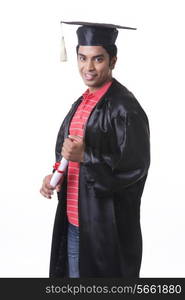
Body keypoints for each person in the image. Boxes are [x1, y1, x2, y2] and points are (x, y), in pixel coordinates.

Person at [40, 21, 150, 278]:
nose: (88, 67)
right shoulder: (81, 103)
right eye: (82, 58)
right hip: (73, 220)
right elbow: (67, 154)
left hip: (104, 231)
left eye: (98, 59)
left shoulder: (125, 107)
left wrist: (86, 156)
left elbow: (135, 166)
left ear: (113, 60)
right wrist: (56, 176)